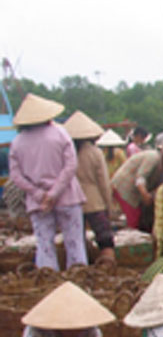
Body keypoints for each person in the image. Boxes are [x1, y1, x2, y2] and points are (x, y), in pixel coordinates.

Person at [9, 93, 89, 270]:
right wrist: (54, 193)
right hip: (67, 197)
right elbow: (70, 166)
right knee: (74, 241)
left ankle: (48, 279)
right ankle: (79, 278)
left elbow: (16, 176)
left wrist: (39, 194)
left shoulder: (17, 142)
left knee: (44, 244)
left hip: (37, 202)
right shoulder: (60, 133)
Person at [65, 110, 115, 263]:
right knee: (105, 238)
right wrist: (109, 205)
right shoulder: (95, 153)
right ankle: (108, 268)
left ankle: (81, 269)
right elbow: (103, 182)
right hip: (95, 202)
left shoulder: (66, 153)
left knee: (77, 240)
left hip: (73, 201)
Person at [110, 148, 163, 231]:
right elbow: (140, 178)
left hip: (131, 189)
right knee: (134, 219)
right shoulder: (153, 157)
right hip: (124, 187)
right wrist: (145, 195)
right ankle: (133, 240)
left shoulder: (161, 163)